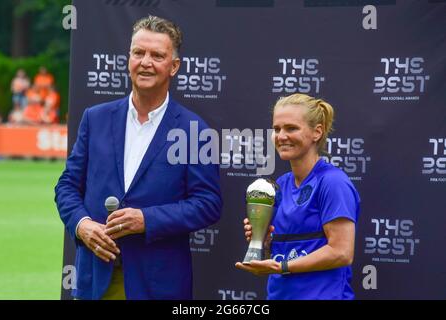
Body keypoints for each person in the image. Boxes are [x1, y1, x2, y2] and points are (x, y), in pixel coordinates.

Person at [55, 15, 222, 300]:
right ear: (128, 58)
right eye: (138, 52)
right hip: (95, 280)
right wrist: (82, 224)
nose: (145, 62)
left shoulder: (194, 130)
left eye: (157, 55)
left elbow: (208, 204)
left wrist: (147, 219)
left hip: (158, 284)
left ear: (174, 66)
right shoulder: (95, 119)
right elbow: (67, 186)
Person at [235, 93, 360, 300]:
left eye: (291, 128)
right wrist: (263, 242)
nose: (281, 136)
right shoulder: (280, 184)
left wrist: (281, 266)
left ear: (316, 132)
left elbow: (341, 252)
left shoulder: (333, 182)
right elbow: (282, 251)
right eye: (277, 129)